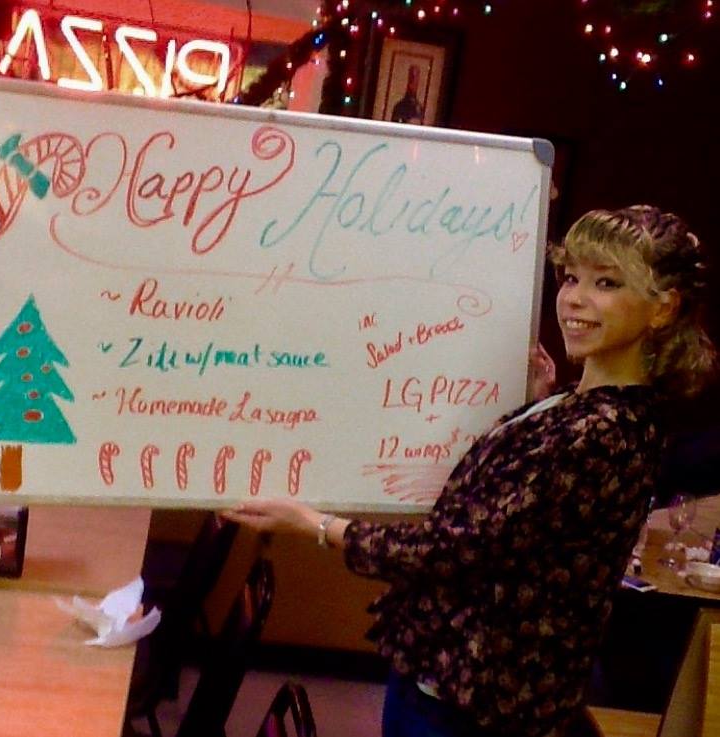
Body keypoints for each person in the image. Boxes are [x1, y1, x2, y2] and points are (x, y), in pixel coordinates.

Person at [223, 205, 716, 737]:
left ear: (663, 308)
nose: (574, 298)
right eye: (572, 276)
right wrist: (534, 405)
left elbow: (454, 550)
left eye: (607, 283)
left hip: (473, 703)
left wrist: (313, 524)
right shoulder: (580, 406)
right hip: (454, 680)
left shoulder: (602, 430)